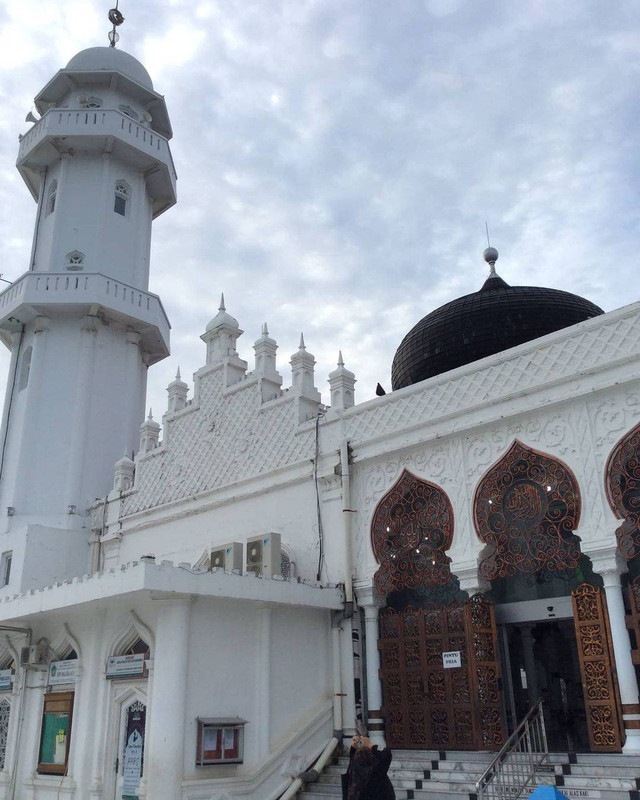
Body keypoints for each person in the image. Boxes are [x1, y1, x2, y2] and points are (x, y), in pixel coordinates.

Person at [341, 734, 395, 800]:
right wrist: (370, 745)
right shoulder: (375, 775)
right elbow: (387, 754)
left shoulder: (354, 777)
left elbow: (353, 762)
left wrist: (353, 748)